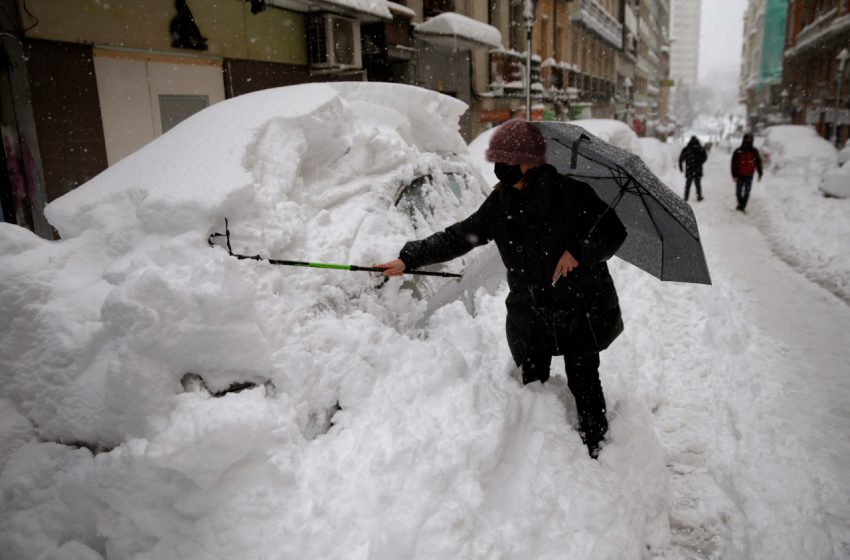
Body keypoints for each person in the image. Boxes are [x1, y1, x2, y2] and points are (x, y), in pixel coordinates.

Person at [376, 119, 627, 459]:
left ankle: (597, 448)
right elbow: (460, 236)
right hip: (533, 311)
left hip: (578, 306)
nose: (501, 169)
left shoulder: (572, 194)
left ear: (530, 161)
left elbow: (613, 231)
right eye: (497, 161)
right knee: (532, 382)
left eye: (508, 161)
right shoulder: (501, 204)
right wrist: (411, 257)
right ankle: (537, 453)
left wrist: (579, 252)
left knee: (583, 379)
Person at [730, 133, 763, 212]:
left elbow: (758, 163)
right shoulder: (738, 151)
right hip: (739, 175)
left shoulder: (754, 151)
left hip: (749, 175)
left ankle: (742, 205)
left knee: (747, 192)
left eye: (750, 139)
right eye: (747, 139)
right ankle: (741, 204)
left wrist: (760, 173)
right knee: (738, 192)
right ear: (744, 140)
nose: (748, 141)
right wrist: (734, 175)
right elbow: (734, 163)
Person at [678, 136, 708, 202]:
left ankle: (686, 198)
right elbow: (705, 157)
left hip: (689, 170)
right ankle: (699, 196)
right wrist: (700, 162)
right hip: (698, 170)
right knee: (698, 185)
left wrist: (681, 167)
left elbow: (681, 159)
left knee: (688, 185)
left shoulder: (686, 149)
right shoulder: (700, 148)